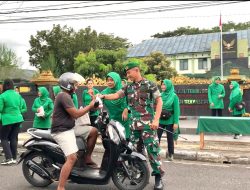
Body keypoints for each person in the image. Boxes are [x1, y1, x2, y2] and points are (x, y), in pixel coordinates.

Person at [97, 61, 165, 190]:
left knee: (152, 152)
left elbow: (159, 101)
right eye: (127, 73)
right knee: (134, 152)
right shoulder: (128, 87)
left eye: (129, 72)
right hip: (133, 127)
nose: (128, 75)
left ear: (137, 70)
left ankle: (158, 177)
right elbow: (116, 95)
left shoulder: (150, 84)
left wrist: (156, 120)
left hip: (148, 126)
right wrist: (104, 95)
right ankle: (139, 175)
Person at [51, 72, 98, 190]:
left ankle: (87, 158)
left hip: (70, 128)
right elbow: (76, 114)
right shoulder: (63, 96)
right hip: (62, 130)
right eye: (74, 85)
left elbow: (84, 110)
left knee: (93, 131)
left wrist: (93, 102)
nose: (76, 87)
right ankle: (61, 187)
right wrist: (90, 106)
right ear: (68, 85)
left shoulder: (68, 96)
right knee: (72, 157)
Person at [0, 79, 24, 165]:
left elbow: (0, 109)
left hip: (7, 120)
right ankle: (14, 158)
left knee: (4, 138)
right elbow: (21, 107)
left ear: (5, 85)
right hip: (18, 119)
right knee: (14, 138)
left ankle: (8, 158)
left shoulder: (2, 96)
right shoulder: (17, 95)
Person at [101, 72, 130, 139]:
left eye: (111, 80)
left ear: (117, 80)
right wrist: (95, 99)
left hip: (125, 119)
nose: (109, 82)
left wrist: (126, 108)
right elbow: (97, 104)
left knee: (126, 140)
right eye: (107, 80)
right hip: (113, 120)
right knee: (115, 141)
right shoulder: (104, 93)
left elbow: (132, 102)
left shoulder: (124, 90)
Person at [157, 79, 180, 161]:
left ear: (169, 85)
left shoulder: (174, 96)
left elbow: (177, 110)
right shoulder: (160, 95)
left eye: (164, 84)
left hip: (170, 119)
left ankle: (171, 154)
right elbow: (157, 107)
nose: (162, 86)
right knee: (157, 137)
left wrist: (176, 122)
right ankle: (155, 153)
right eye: (162, 84)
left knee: (169, 137)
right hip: (160, 119)